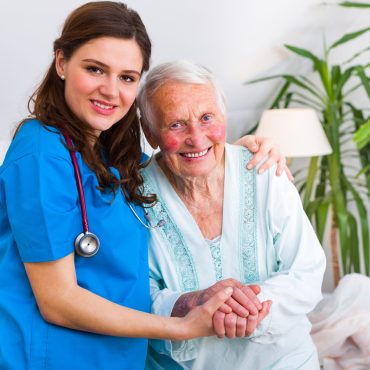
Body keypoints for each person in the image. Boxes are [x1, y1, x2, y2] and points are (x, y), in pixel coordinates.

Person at [0, 2, 290, 369]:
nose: (110, 90)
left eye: (126, 77)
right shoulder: (41, 153)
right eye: (95, 69)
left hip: (120, 357)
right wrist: (182, 327)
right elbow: (58, 300)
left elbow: (186, 156)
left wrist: (242, 150)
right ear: (61, 63)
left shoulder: (116, 156)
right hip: (51, 357)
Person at [138, 60, 327, 370]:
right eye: (176, 124)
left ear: (223, 116)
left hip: (284, 362)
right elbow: (133, 294)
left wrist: (247, 309)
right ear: (150, 131)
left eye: (207, 117)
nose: (196, 138)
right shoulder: (133, 195)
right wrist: (191, 302)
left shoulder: (265, 171)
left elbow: (306, 272)